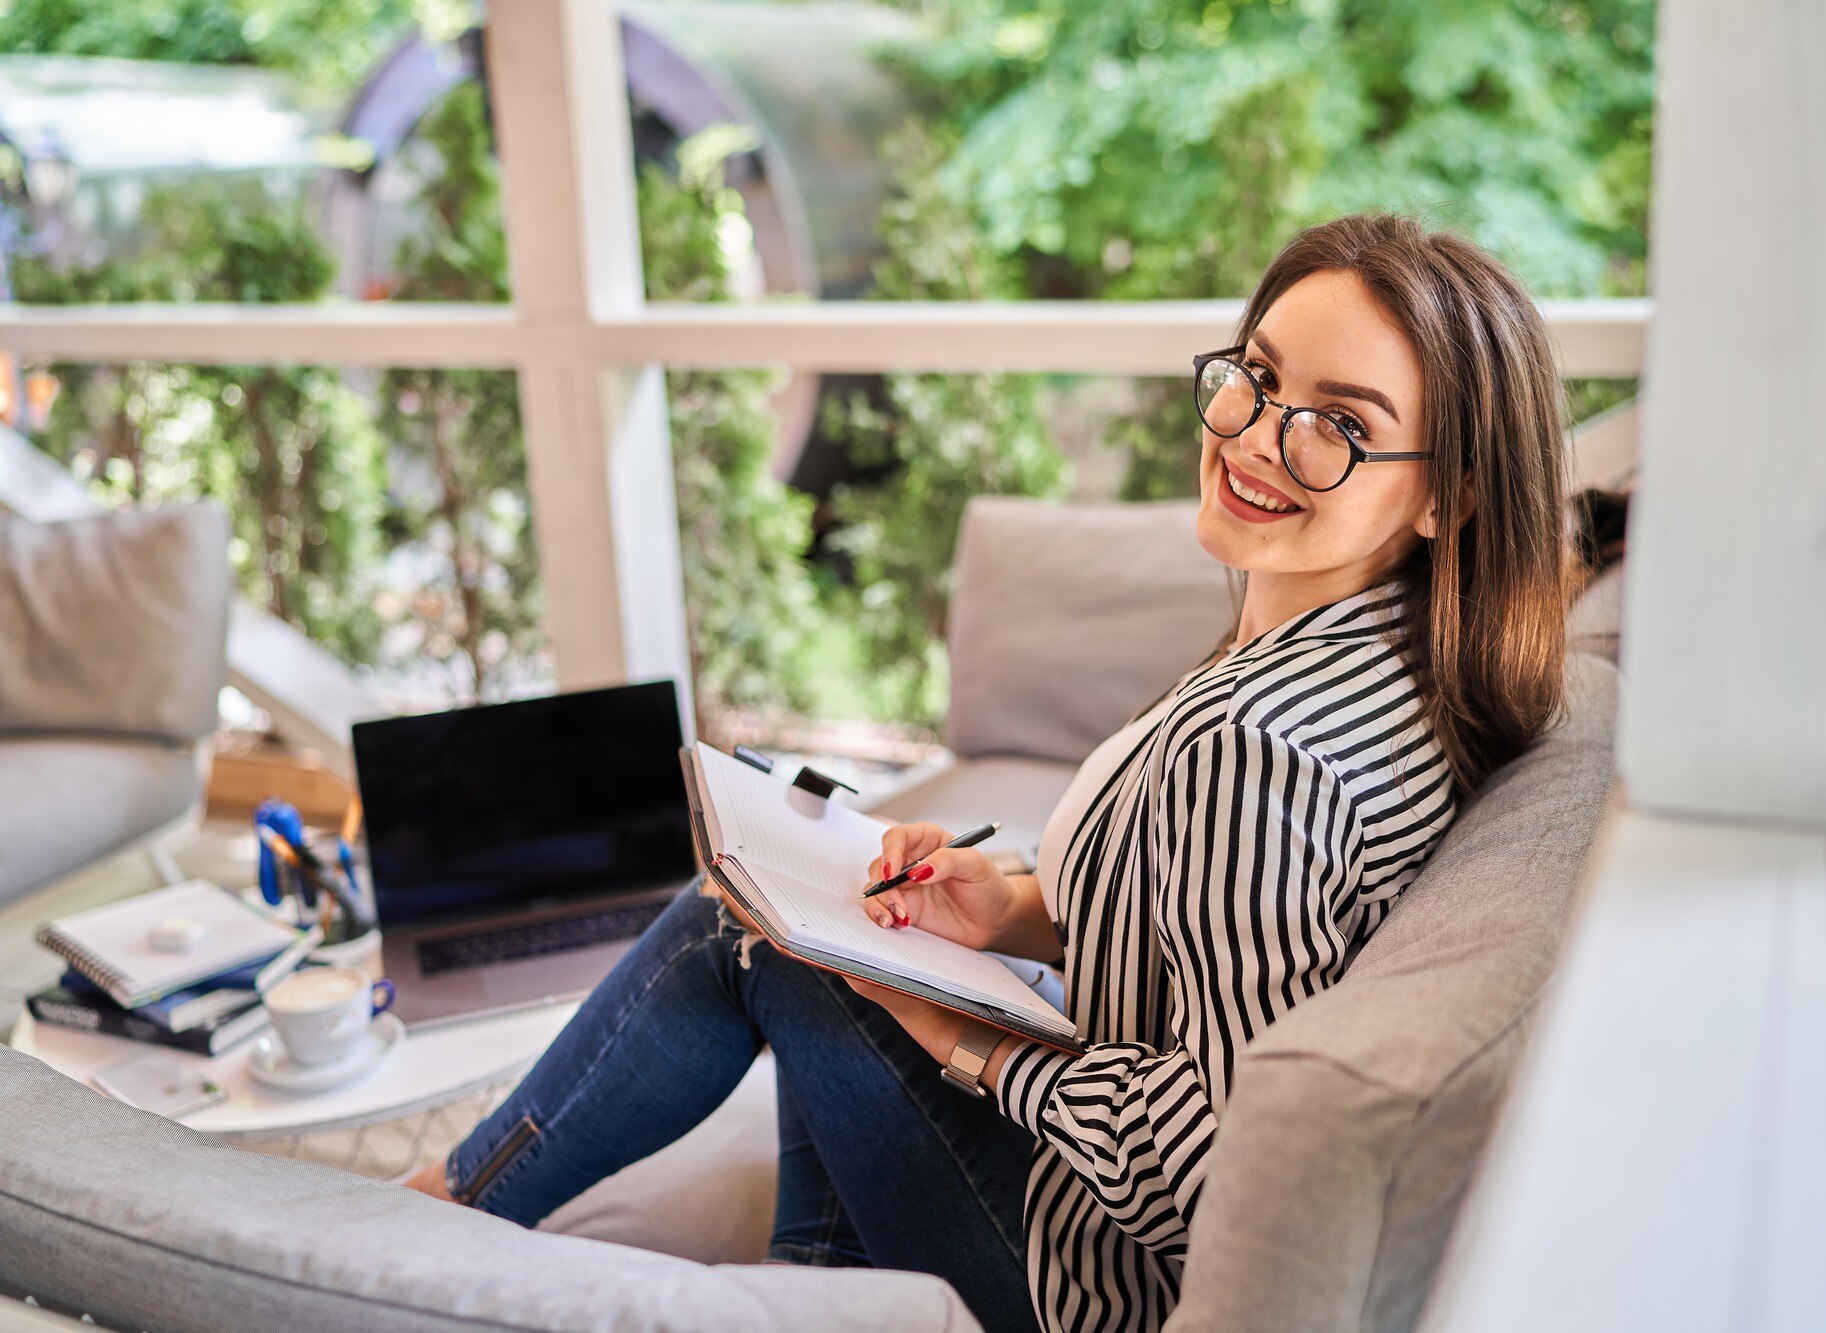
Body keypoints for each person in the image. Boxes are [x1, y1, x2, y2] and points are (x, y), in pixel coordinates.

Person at [407, 212, 1573, 1333]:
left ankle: (416, 1241)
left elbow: (1214, 1166)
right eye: (1257, 377)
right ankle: (806, 1280)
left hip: (1091, 1286)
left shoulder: (1260, 745)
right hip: (1097, 1217)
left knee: (751, 925)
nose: (1256, 437)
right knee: (816, 904)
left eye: (1338, 425)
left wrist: (971, 1045)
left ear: (1448, 493)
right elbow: (1222, 941)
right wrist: (1008, 910)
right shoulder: (1384, 651)